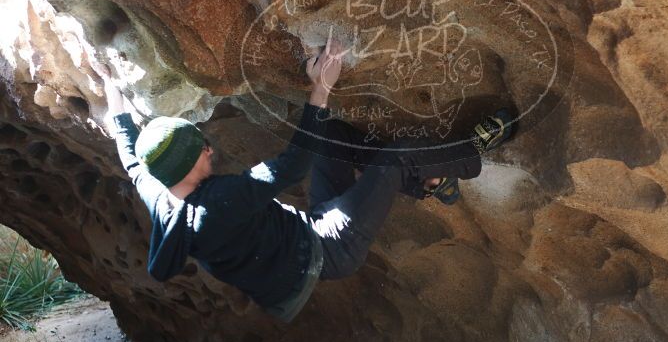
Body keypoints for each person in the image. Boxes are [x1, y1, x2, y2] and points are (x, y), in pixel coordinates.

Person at [102, 39, 514, 322]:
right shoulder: (220, 201)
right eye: (201, 148)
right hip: (330, 248)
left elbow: (133, 164)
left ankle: (427, 180)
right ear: (189, 165)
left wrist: (114, 104)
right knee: (395, 157)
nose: (210, 149)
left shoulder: (162, 197)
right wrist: (320, 89)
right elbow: (293, 165)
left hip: (307, 234)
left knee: (332, 137)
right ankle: (469, 153)